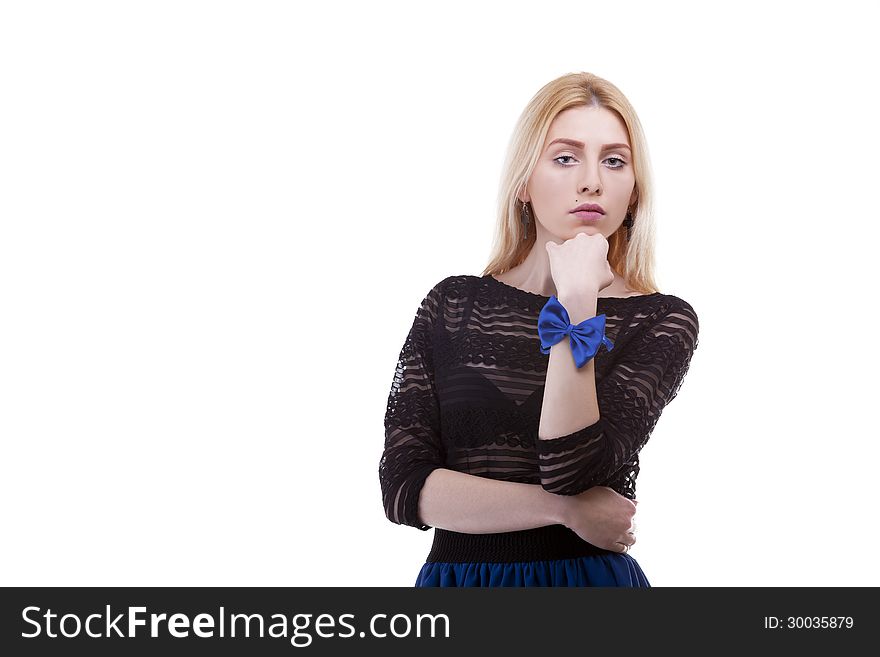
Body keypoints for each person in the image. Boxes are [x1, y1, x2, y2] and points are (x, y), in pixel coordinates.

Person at [379, 71, 700, 587]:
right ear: (524, 182)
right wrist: (566, 513)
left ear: (634, 192)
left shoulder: (660, 319)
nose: (592, 180)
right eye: (566, 157)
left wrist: (577, 303)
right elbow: (402, 488)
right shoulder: (453, 304)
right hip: (458, 584)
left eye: (614, 161)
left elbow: (570, 468)